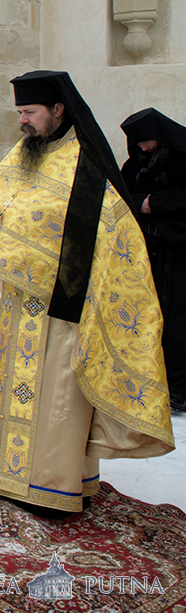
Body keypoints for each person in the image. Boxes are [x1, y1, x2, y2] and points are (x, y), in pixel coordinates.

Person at [0, 71, 175, 514]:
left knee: (54, 398)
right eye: (19, 113)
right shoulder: (22, 156)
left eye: (30, 112)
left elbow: (116, 234)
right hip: (14, 301)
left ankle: (52, 483)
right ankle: (0, 470)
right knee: (7, 388)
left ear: (58, 110)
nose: (23, 122)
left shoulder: (87, 165)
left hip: (60, 308)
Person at [121, 108, 186, 413]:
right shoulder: (134, 165)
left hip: (180, 252)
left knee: (179, 322)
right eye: (138, 145)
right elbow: (120, 197)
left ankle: (179, 391)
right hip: (146, 252)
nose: (143, 149)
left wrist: (153, 203)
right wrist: (143, 204)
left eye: (147, 142)